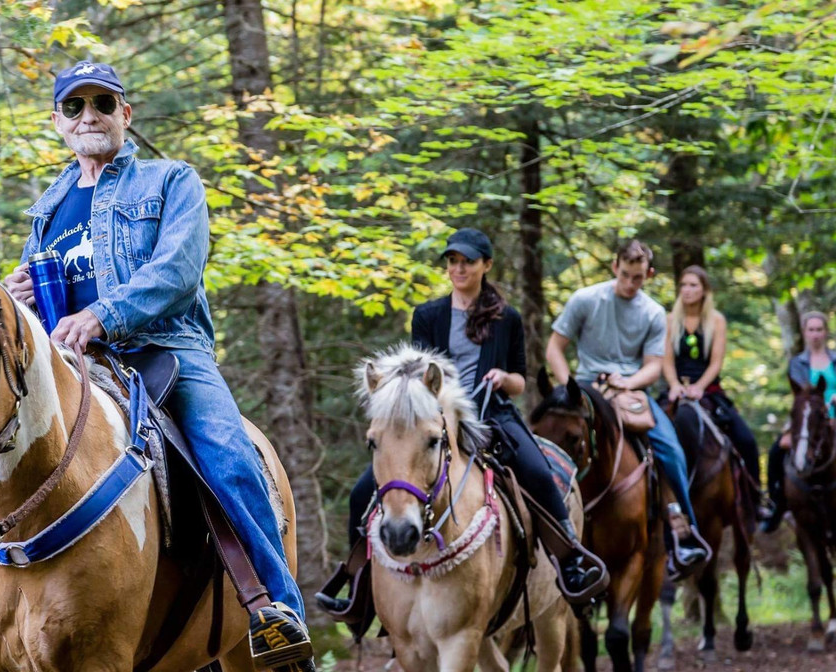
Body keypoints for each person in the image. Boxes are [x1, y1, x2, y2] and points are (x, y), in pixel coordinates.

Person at [0, 61, 317, 672]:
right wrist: (16, 294)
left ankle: (277, 610)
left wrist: (104, 315)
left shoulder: (170, 181)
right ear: (58, 122)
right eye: (74, 106)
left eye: (103, 104)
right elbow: (27, 312)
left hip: (164, 351)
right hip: (69, 364)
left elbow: (179, 269)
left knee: (227, 451)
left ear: (124, 114)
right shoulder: (49, 207)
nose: (90, 116)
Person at [318, 228, 608, 616]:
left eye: (467, 262)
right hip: (435, 420)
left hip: (493, 416)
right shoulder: (428, 315)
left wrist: (504, 378)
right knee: (361, 493)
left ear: (486, 265)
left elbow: (521, 381)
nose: (458, 268)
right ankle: (357, 583)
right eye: (453, 261)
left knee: (539, 473)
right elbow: (418, 377)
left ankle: (570, 562)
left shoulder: (508, 319)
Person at [546, 240, 711, 582]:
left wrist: (628, 382)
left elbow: (654, 366)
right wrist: (570, 386)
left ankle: (683, 533)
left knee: (671, 450)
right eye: (624, 275)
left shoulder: (653, 312)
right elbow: (554, 348)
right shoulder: (586, 299)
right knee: (545, 437)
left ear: (648, 274)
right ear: (614, 267)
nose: (630, 283)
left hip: (631, 392)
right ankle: (542, 528)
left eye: (637, 277)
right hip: (585, 388)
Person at [661, 265, 761, 505]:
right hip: (676, 390)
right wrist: (674, 384)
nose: (687, 290)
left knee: (746, 440)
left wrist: (699, 387)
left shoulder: (716, 320)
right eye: (683, 285)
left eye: (693, 285)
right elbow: (666, 360)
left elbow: (716, 363)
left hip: (708, 391)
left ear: (704, 290)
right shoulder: (670, 320)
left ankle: (756, 500)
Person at [759, 311, 836, 533]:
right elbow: (801, 396)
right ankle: (776, 504)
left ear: (825, 332)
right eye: (811, 330)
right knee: (778, 449)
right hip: (809, 421)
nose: (815, 334)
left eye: (819, 329)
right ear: (805, 332)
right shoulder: (797, 363)